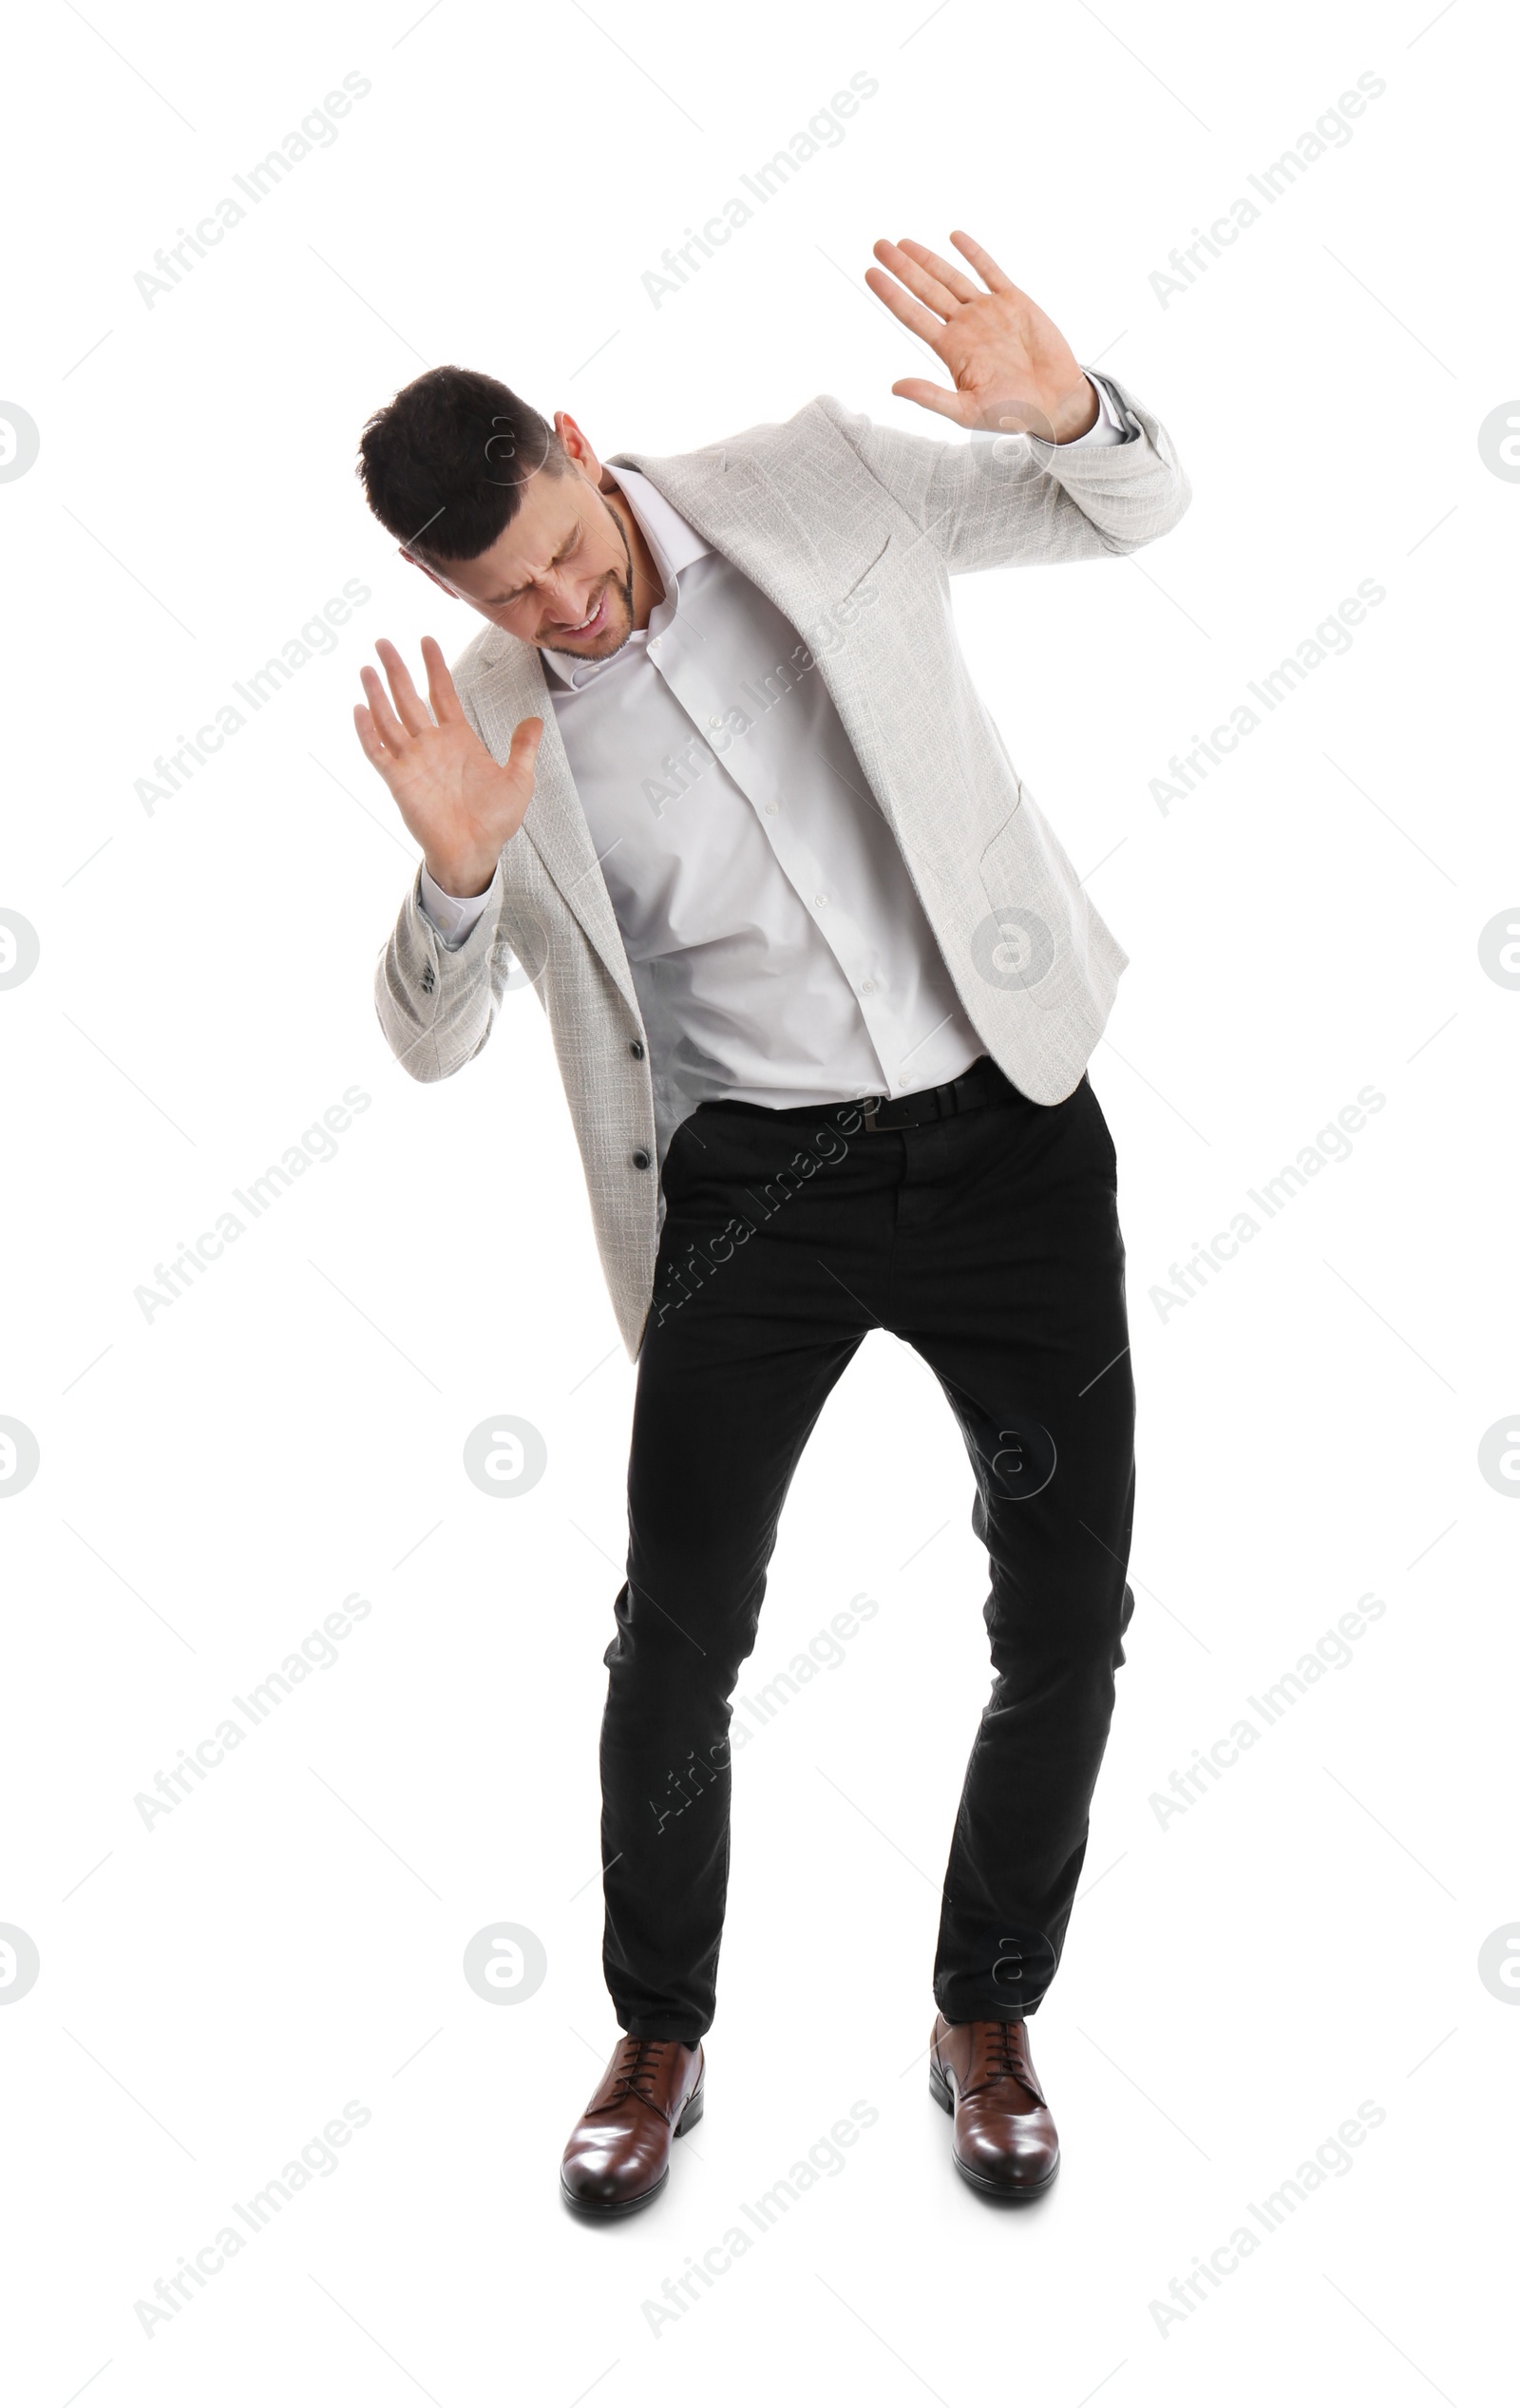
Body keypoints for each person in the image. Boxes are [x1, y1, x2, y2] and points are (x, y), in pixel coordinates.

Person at [352, 229, 1189, 2213]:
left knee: (1067, 1614)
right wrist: (459, 882)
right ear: (441, 588)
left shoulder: (813, 478)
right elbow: (423, 1037)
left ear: (576, 441)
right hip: (752, 1196)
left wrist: (1065, 407)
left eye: (567, 541)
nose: (572, 598)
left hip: (1003, 1133)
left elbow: (1132, 512)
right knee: (675, 1641)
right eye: (512, 590)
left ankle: (983, 2009)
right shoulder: (487, 720)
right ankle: (659, 2031)